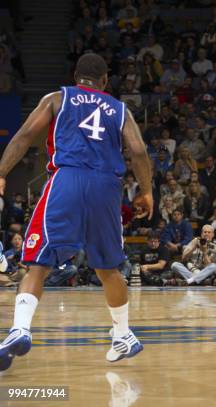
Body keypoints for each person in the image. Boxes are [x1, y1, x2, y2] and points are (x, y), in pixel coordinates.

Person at [0, 53, 153, 371]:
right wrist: (147, 191)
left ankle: (20, 329)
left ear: (76, 76)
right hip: (107, 187)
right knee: (108, 268)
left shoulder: (58, 98)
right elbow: (138, 151)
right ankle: (123, 335)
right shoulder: (119, 109)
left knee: (38, 263)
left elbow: (25, 136)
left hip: (68, 179)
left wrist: (1, 172)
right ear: (105, 81)